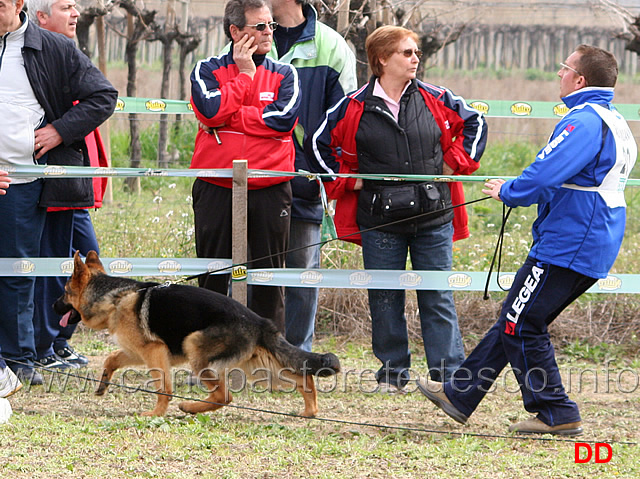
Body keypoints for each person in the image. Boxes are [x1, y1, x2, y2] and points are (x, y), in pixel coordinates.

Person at [418, 45, 637, 435]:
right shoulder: (613, 119)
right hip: (588, 238)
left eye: (564, 69)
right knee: (515, 317)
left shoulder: (582, 122)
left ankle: (557, 411)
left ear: (580, 80)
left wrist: (510, 190)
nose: (559, 74)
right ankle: (460, 394)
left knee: (522, 323)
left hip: (569, 242)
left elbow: (543, 174)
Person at [306, 25, 488, 392]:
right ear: (382, 59)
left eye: (415, 52)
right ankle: (392, 374)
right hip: (379, 221)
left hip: (433, 218)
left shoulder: (438, 97)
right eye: (406, 53)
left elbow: (476, 123)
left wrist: (453, 164)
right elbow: (316, 146)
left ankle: (449, 375)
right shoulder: (352, 105)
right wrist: (346, 181)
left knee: (437, 295)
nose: (415, 59)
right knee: (385, 298)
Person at [0, 0, 117, 384]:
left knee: (18, 270)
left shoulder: (54, 49)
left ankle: (19, 358)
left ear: (19, 5)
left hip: (23, 180)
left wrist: (60, 130)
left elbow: (104, 96)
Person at [189, 0, 301, 331]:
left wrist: (230, 119)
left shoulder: (285, 74)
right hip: (216, 185)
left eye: (271, 25)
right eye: (260, 26)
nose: (270, 32)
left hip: (270, 186)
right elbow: (210, 111)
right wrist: (245, 76)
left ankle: (268, 360)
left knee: (268, 277)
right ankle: (210, 354)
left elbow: (283, 122)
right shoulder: (206, 70)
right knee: (212, 276)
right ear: (235, 32)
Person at [267, 0, 357, 352]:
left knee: (303, 271)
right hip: (256, 180)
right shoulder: (245, 37)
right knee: (248, 268)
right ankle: (253, 353)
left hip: (306, 181)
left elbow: (346, 119)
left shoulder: (332, 45)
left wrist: (323, 170)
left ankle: (298, 355)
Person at [26, 0, 109, 370]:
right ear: (40, 17)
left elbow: (99, 101)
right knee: (52, 268)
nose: (76, 13)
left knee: (85, 264)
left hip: (75, 185)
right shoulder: (31, 62)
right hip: (50, 182)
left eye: (76, 6)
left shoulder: (68, 57)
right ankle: (41, 346)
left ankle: (57, 340)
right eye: (66, 7)